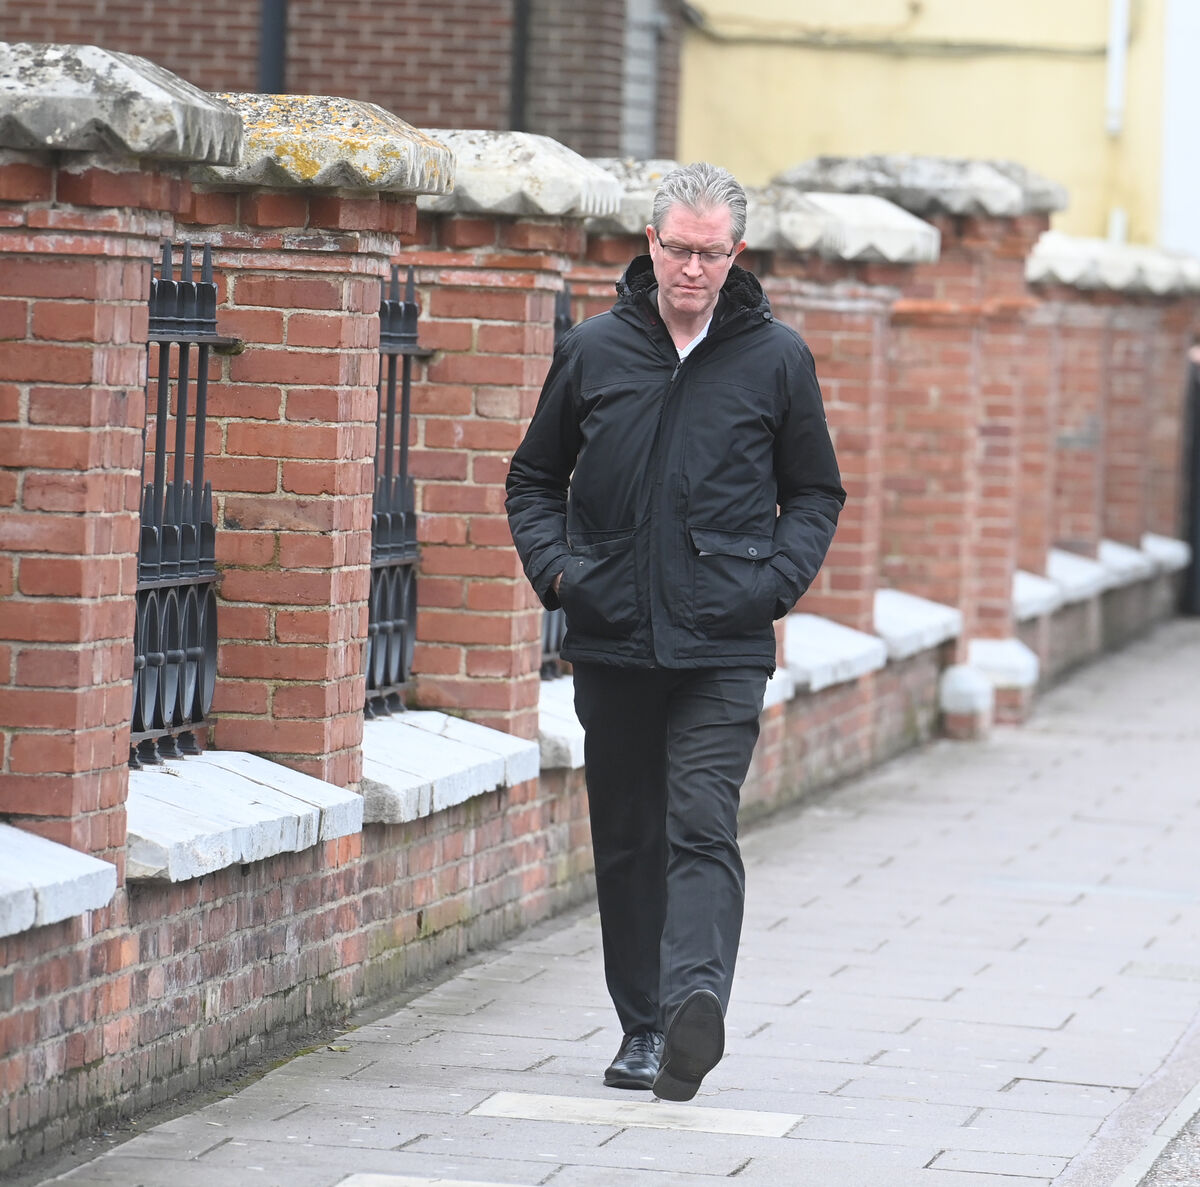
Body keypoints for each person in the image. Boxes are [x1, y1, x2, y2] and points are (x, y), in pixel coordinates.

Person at [505, 162, 845, 1101]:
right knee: (625, 833)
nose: (693, 268)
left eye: (711, 252)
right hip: (613, 634)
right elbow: (533, 479)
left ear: (737, 255)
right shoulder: (594, 351)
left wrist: (771, 586)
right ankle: (643, 1027)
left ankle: (694, 999)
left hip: (723, 641)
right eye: (678, 249)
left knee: (701, 819)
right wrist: (563, 574)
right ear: (650, 244)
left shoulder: (777, 358)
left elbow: (815, 490)